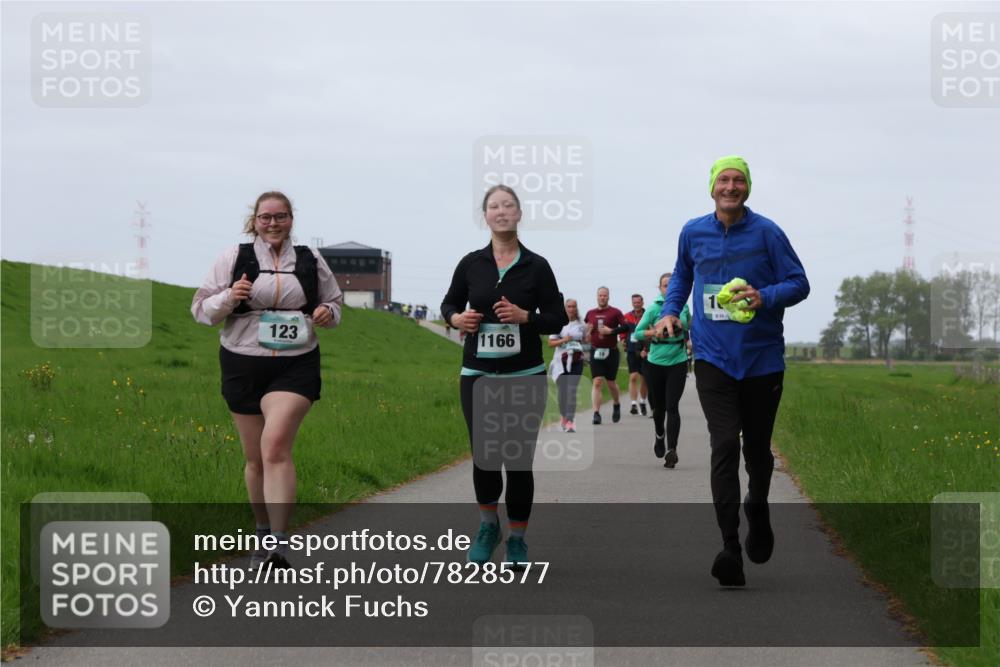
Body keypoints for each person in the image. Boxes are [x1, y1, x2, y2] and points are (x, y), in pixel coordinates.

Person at [655, 156, 809, 587]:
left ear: (747, 188)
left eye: (738, 180)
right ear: (711, 188)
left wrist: (765, 295)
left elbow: (800, 283)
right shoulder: (693, 231)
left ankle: (757, 504)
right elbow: (682, 279)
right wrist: (670, 312)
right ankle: (729, 547)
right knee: (723, 444)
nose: (730, 186)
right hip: (711, 358)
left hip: (761, 360)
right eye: (723, 179)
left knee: (756, 451)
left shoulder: (768, 232)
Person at [192, 191, 343, 569]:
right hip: (242, 361)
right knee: (255, 458)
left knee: (275, 445)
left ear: (292, 219)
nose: (273, 223)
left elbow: (335, 303)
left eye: (280, 216)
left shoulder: (310, 259)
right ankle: (261, 532)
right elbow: (201, 311)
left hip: (296, 362)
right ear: (254, 221)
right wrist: (230, 296)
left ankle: (278, 544)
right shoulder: (233, 258)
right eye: (265, 218)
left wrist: (327, 312)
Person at [441, 185, 567, 568]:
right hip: (478, 372)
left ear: (518, 214)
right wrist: (456, 319)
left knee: (517, 459)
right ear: (486, 216)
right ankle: (486, 526)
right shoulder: (471, 263)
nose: (501, 211)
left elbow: (557, 318)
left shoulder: (537, 265)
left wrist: (527, 317)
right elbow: (448, 303)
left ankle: (517, 539)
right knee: (485, 454)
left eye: (507, 205)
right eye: (494, 206)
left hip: (524, 374)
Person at [633, 273, 690, 468]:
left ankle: (671, 450)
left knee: (673, 406)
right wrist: (654, 332)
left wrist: (684, 325)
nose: (668, 288)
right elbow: (637, 332)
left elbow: (691, 325)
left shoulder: (684, 307)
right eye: (665, 285)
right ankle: (659, 435)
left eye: (672, 285)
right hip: (655, 363)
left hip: (678, 361)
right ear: (660, 288)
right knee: (660, 408)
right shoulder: (653, 309)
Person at [584, 287, 628, 425]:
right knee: (597, 382)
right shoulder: (590, 313)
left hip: (612, 352)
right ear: (597, 297)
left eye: (605, 295)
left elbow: (626, 327)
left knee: (611, 383)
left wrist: (612, 331)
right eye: (600, 295)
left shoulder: (615, 312)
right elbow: (586, 336)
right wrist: (588, 331)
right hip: (596, 351)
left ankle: (616, 403)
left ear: (608, 297)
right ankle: (596, 413)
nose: (602, 298)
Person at [548, 299, 587, 433]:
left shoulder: (581, 324)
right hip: (560, 361)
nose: (571, 309)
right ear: (565, 308)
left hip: (577, 361)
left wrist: (590, 333)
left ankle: (570, 420)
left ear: (576, 308)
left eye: (574, 306)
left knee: (572, 390)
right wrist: (565, 340)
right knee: (563, 391)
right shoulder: (559, 323)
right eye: (569, 306)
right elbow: (551, 343)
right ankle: (564, 416)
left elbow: (587, 342)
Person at [622, 294, 649, 416]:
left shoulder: (647, 314)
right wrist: (623, 339)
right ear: (632, 303)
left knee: (644, 378)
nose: (636, 304)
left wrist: (647, 347)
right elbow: (623, 330)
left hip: (644, 350)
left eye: (638, 302)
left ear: (642, 303)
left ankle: (643, 401)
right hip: (632, 350)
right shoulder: (627, 316)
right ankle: (633, 403)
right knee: (633, 377)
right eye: (634, 303)